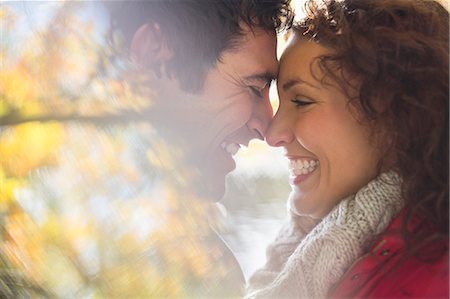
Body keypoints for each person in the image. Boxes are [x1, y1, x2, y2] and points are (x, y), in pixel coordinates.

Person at [245, 0, 449, 298]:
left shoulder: (431, 274)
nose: (272, 134)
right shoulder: (311, 253)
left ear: (394, 114)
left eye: (301, 101)